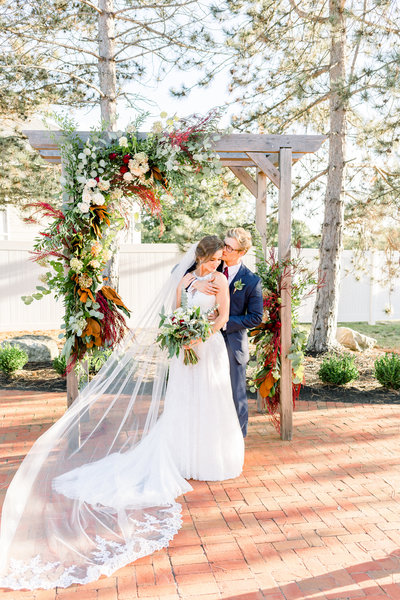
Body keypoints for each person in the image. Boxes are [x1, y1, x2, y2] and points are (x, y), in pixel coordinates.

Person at [0, 236, 244, 590]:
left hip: (209, 349)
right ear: (202, 255)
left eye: (222, 258)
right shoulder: (186, 279)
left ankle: (207, 454)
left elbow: (222, 317)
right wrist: (182, 328)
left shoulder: (220, 280)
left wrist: (199, 335)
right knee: (184, 402)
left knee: (210, 402)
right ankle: (182, 455)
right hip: (185, 351)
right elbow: (172, 313)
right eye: (216, 257)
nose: (220, 263)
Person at [186, 228, 263, 436]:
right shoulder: (212, 263)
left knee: (235, 394)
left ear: (242, 252)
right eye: (225, 244)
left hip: (232, 343)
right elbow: (181, 273)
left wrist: (224, 320)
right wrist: (196, 283)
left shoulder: (252, 281)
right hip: (203, 341)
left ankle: (238, 440)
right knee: (205, 392)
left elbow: (256, 317)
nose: (224, 249)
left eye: (230, 247)